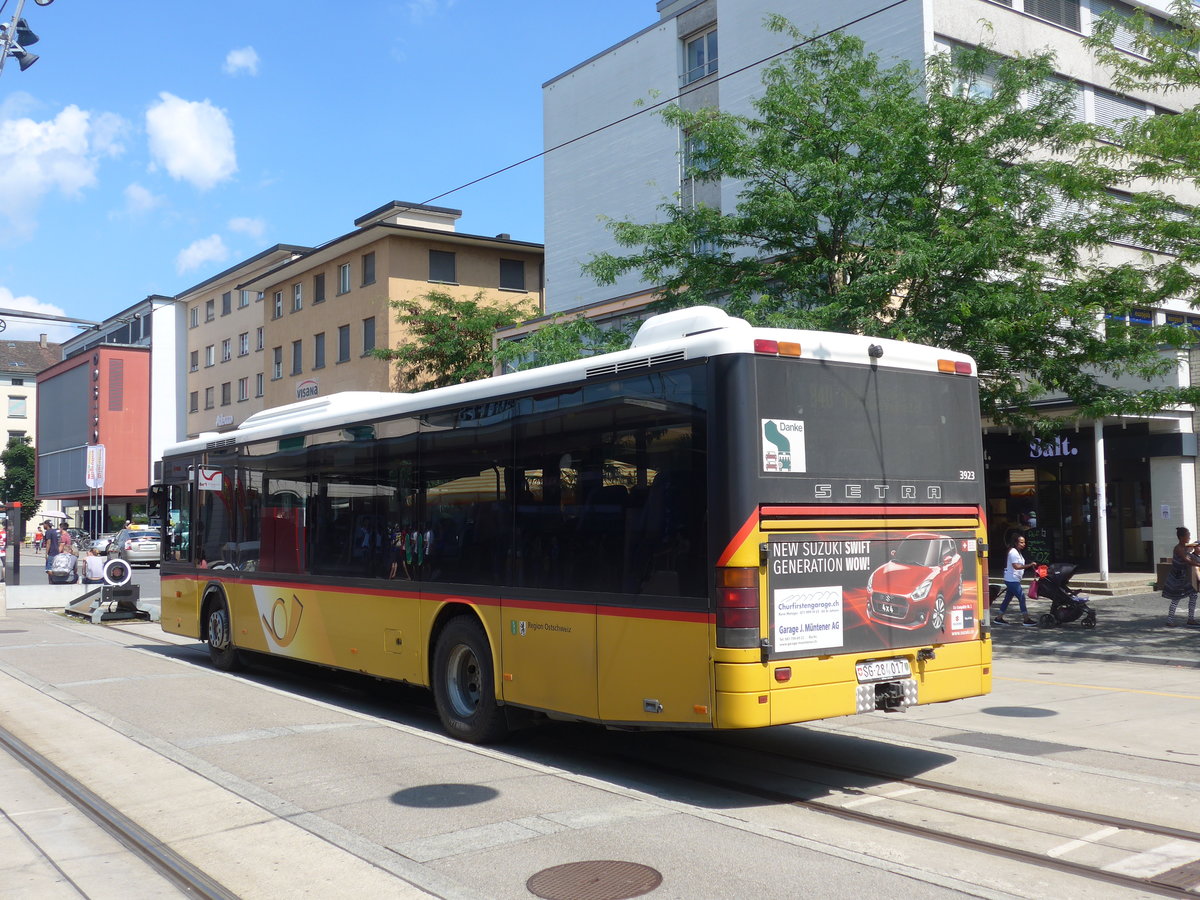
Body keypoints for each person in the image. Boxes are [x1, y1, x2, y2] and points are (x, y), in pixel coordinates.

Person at [995, 533, 1038, 626]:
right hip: (1012, 579)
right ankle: (1026, 619)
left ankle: (998, 618)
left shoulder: (1017, 552)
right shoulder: (1013, 552)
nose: (1024, 544)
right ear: (1015, 543)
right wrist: (1030, 565)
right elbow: (1016, 566)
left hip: (1013, 579)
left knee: (1007, 599)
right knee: (1021, 597)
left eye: (1024, 542)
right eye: (1021, 542)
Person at [1164, 526, 1200, 627]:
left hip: (1184, 576)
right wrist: (1198, 564)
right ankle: (1170, 620)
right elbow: (1186, 560)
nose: (1189, 537)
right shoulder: (1178, 548)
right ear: (1181, 537)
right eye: (1187, 536)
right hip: (1177, 577)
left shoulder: (1186, 546)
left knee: (1193, 595)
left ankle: (1191, 619)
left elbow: (1197, 545)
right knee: (1176, 598)